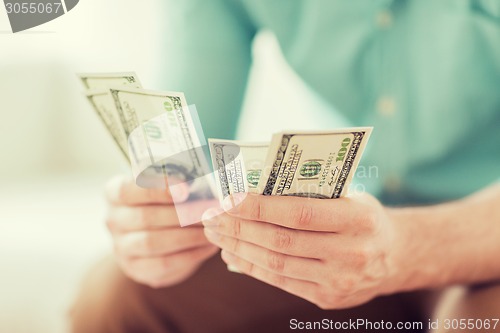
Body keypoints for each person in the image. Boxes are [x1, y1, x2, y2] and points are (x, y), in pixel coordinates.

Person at [71, 1, 500, 332]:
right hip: (367, 224)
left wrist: (403, 250)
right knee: (116, 299)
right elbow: (182, 164)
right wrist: (153, 223)